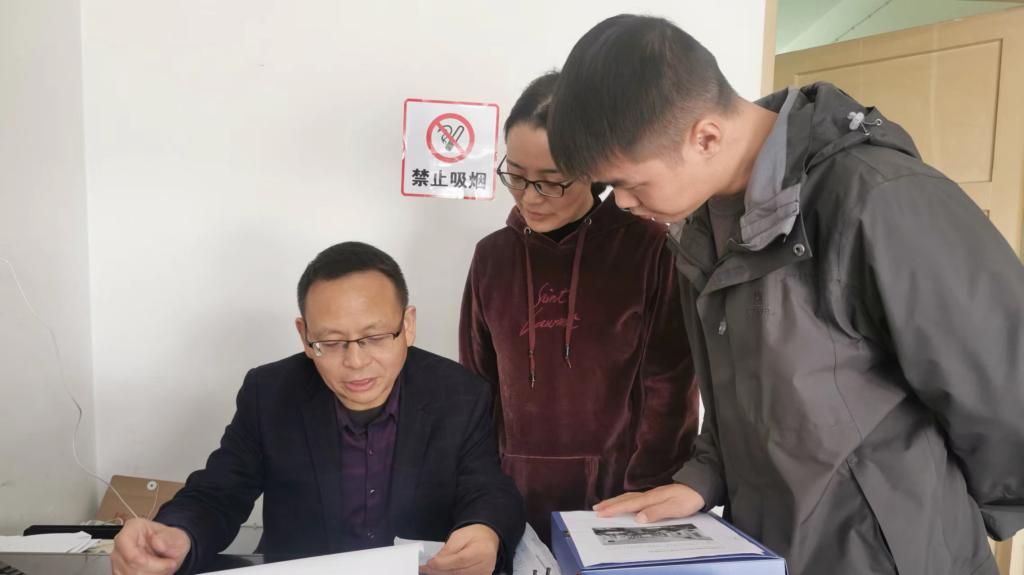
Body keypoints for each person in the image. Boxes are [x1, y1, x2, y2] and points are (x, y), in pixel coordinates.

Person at [545, 14, 1024, 575]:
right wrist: (702, 480)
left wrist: (938, 529)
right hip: (770, 549)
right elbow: (739, 400)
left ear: (705, 137)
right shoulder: (699, 230)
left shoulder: (878, 199)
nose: (622, 204)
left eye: (628, 183)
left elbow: (1004, 388)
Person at [111, 242, 525, 575]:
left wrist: (484, 531)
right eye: (331, 342)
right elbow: (218, 492)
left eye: (375, 337)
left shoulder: (459, 393)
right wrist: (177, 534)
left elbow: (488, 489)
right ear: (304, 336)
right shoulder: (269, 393)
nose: (356, 362)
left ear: (408, 325)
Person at [459, 72, 699, 543]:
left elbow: (671, 392)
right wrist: (484, 498)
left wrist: (644, 497)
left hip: (619, 507)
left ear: (594, 169)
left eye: (551, 182)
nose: (530, 197)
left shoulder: (650, 250)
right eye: (516, 176)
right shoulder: (492, 257)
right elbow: (477, 387)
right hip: (511, 500)